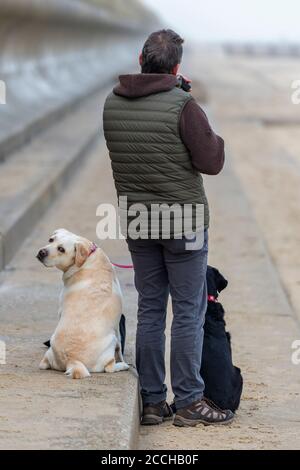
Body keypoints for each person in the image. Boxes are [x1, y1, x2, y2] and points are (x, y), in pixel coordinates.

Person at [103, 29, 234, 427]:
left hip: (140, 222)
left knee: (150, 308)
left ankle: (152, 401)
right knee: (189, 311)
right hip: (184, 225)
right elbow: (211, 161)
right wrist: (186, 99)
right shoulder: (183, 105)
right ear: (176, 67)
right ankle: (191, 399)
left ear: (139, 59)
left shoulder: (111, 103)